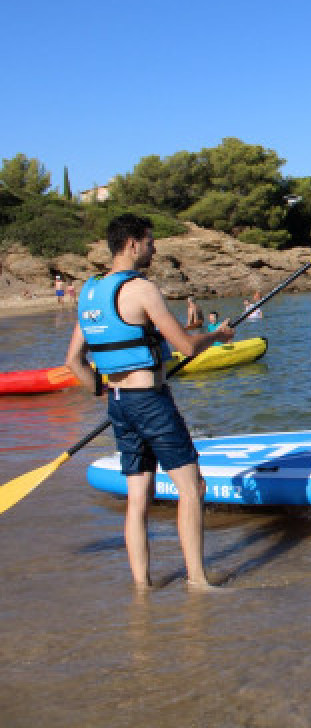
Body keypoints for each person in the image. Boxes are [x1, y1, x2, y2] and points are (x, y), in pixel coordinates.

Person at [64, 213, 234, 590]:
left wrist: (102, 389)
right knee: (193, 489)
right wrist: (218, 336)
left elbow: (73, 362)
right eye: (150, 242)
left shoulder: (90, 293)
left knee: (138, 495)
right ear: (132, 244)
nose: (154, 249)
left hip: (120, 404)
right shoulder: (141, 289)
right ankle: (198, 580)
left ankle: (142, 585)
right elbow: (186, 345)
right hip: (151, 402)